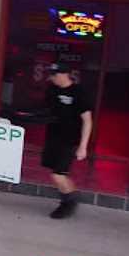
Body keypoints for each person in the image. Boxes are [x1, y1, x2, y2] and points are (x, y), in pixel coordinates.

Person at [42, 63, 92, 219]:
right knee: (54, 173)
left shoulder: (79, 92)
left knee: (58, 174)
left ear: (64, 74)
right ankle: (70, 198)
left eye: (54, 75)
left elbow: (87, 120)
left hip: (69, 140)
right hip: (53, 137)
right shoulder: (52, 90)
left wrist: (83, 146)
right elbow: (46, 109)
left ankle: (69, 201)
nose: (52, 78)